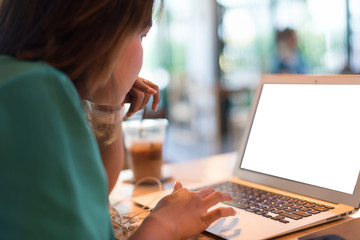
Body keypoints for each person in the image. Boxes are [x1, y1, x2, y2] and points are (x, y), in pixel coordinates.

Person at [0, 1, 236, 240]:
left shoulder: (18, 78)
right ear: (102, 30)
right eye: (142, 35)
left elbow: (92, 195)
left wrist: (110, 104)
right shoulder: (32, 91)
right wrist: (165, 224)